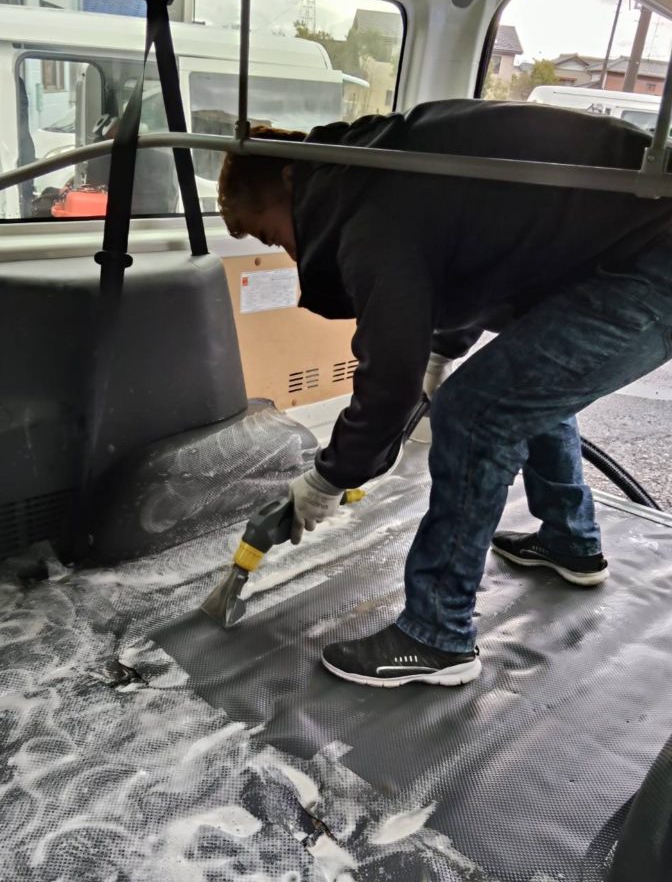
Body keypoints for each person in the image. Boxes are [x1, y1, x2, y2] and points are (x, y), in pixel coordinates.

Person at [217, 102, 672, 689]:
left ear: (289, 182)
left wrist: (329, 478)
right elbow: (482, 252)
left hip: (654, 260)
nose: (288, 252)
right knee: (519, 390)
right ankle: (570, 541)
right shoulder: (374, 170)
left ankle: (437, 634)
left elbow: (389, 381)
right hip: (633, 247)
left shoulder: (367, 212)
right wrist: (441, 350)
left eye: (269, 233)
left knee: (476, 411)